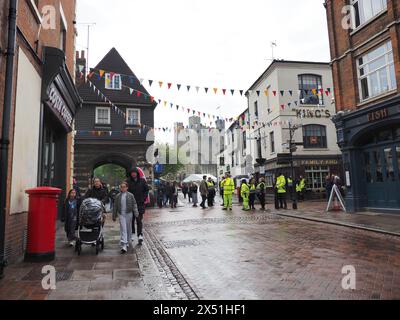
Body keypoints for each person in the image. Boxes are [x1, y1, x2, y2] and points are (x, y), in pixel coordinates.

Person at [113, 182, 139, 253]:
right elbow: (115, 206)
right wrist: (114, 215)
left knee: (128, 228)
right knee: (123, 228)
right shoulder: (118, 196)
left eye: (124, 187)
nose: (123, 188)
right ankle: (124, 245)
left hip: (129, 213)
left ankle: (127, 241)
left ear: (127, 188)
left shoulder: (131, 195)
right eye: (121, 187)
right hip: (121, 214)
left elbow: (134, 204)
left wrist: (136, 213)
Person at [127, 167, 149, 245]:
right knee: (131, 219)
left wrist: (143, 198)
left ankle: (140, 235)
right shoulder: (128, 181)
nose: (133, 174)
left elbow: (146, 190)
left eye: (135, 172)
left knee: (139, 220)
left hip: (140, 203)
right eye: (132, 173)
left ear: (137, 173)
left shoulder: (142, 181)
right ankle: (132, 233)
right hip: (131, 204)